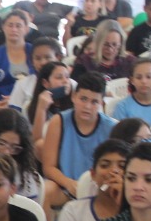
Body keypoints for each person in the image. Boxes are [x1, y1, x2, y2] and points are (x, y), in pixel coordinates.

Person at [41, 72, 115, 213]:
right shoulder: (59, 121)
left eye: (94, 102)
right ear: (74, 97)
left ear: (102, 103)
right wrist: (69, 184)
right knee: (46, 191)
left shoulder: (110, 128)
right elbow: (48, 167)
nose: (87, 106)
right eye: (83, 99)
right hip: (66, 186)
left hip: (98, 189)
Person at [54, 139, 129, 221]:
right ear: (93, 174)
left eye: (122, 166)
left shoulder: (138, 214)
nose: (114, 171)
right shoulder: (73, 211)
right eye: (105, 165)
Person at [21, 59, 73, 142]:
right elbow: (36, 143)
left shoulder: (75, 104)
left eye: (67, 77)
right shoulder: (28, 108)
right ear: (45, 83)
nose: (65, 81)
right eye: (59, 77)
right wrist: (41, 109)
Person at [110, 57, 151, 126]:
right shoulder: (122, 107)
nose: (144, 81)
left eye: (149, 77)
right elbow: (118, 134)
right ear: (132, 80)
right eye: (139, 77)